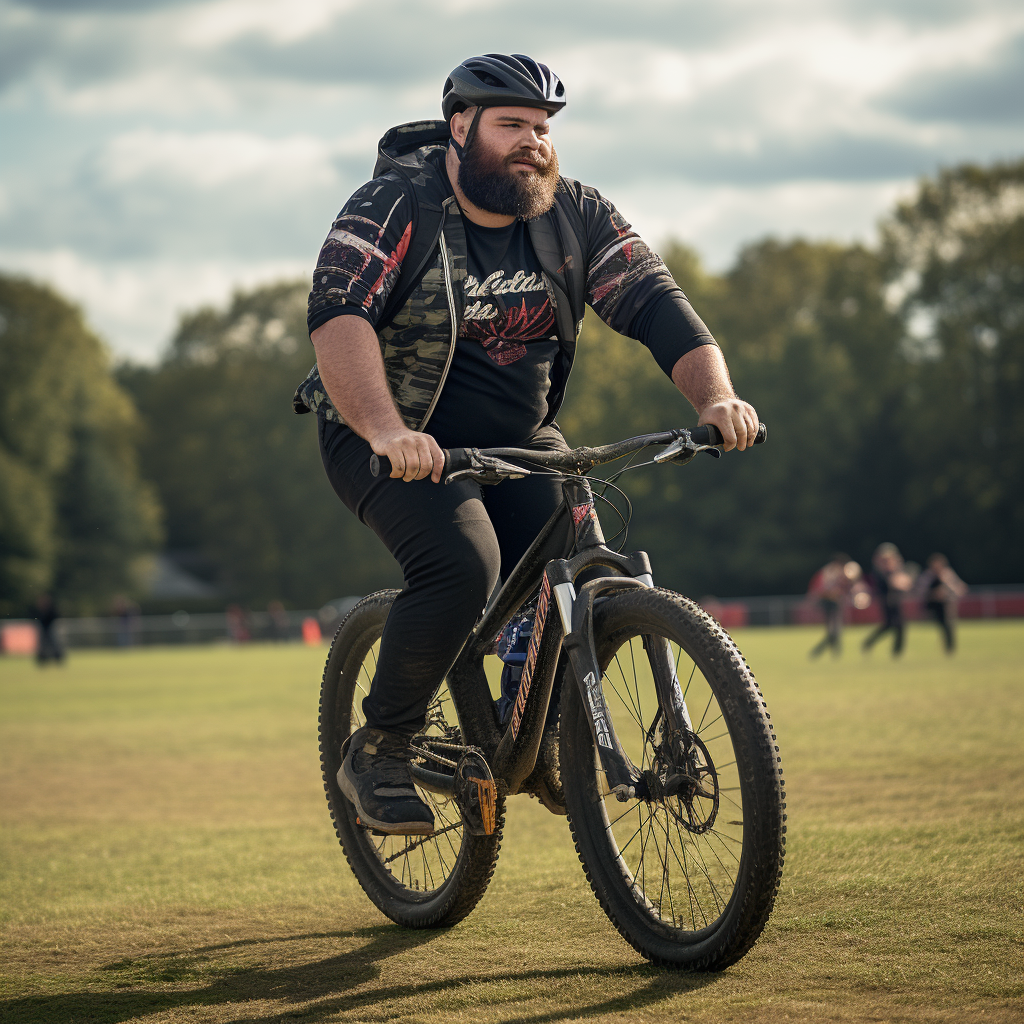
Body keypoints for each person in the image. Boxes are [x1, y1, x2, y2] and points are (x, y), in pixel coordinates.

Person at [293, 54, 760, 835]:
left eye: (543, 128)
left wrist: (716, 397)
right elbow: (339, 318)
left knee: (588, 569)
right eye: (513, 124)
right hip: (390, 437)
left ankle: (539, 732)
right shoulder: (391, 205)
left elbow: (656, 304)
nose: (533, 142)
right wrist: (386, 431)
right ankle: (381, 746)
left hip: (523, 442)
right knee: (463, 564)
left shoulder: (575, 214)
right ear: (460, 126)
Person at [806, 554, 863, 658]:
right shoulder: (830, 571)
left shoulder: (833, 571)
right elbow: (824, 587)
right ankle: (822, 651)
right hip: (830, 601)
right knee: (834, 629)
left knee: (835, 629)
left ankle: (833, 652)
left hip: (836, 601)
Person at [862, 543, 913, 657]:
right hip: (888, 600)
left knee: (894, 625)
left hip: (896, 599)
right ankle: (872, 643)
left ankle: (895, 650)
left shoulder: (893, 570)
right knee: (893, 625)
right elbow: (894, 583)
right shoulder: (880, 572)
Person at [915, 553, 967, 653]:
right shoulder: (928, 576)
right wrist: (932, 594)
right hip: (932, 605)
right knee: (940, 624)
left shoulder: (947, 574)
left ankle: (950, 648)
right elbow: (919, 591)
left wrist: (948, 589)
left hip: (946, 604)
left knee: (948, 625)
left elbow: (960, 588)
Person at [34, 593, 64, 666]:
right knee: (42, 646)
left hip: (51, 628)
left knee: (54, 644)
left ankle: (58, 659)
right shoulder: (40, 610)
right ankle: (42, 660)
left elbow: (55, 617)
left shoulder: (51, 610)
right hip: (43, 629)